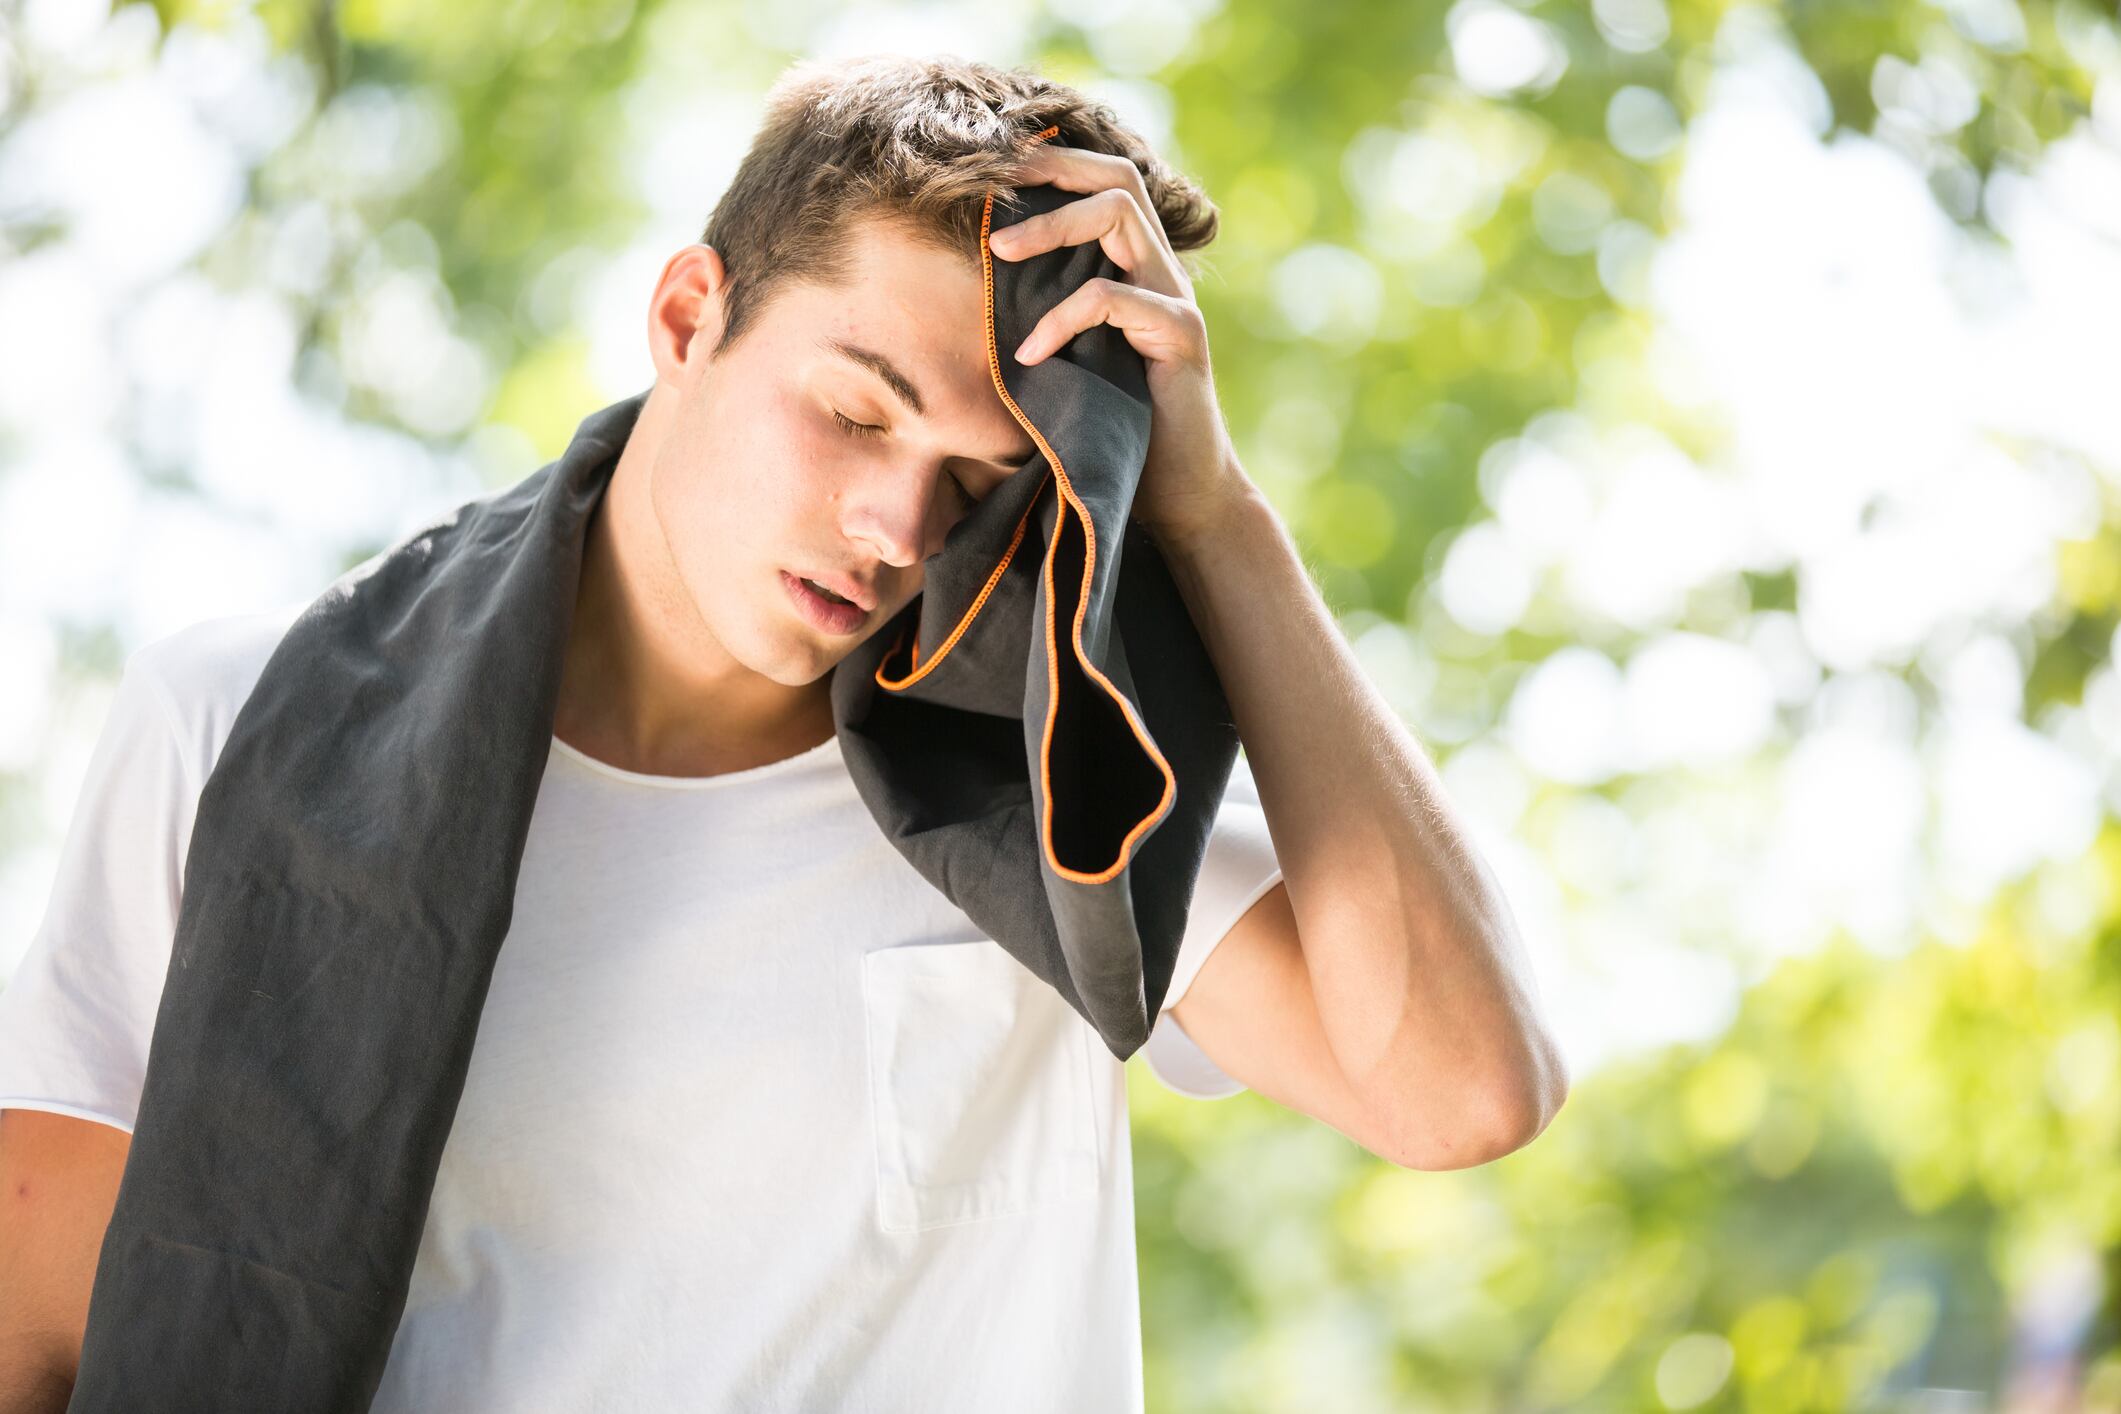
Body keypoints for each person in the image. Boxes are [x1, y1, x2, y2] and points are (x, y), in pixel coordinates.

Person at [0, 54, 1285, 1411]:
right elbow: (35, 1330)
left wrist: (1215, 510)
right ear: (686, 318)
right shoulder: (231, 721)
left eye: (970, 481)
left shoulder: (1055, 784)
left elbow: (1465, 1089)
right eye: (853, 413)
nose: (899, 529)